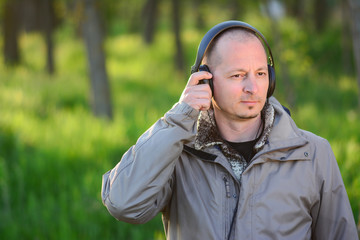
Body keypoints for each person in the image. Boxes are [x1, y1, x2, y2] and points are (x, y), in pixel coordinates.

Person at [101, 21, 358, 239]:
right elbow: (124, 204)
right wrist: (179, 119)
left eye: (260, 73)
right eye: (237, 75)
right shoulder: (177, 153)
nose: (252, 87)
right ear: (205, 80)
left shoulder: (313, 154)